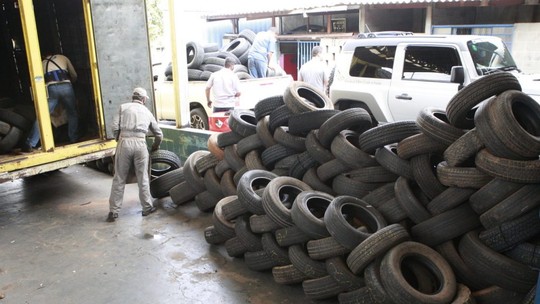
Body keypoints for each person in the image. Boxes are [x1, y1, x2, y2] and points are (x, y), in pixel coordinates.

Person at [107, 87, 163, 222]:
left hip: (124, 142)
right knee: (142, 177)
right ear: (143, 99)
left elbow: (114, 126)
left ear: (133, 97)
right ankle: (147, 207)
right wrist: (155, 146)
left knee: (119, 177)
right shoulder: (147, 112)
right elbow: (159, 134)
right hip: (140, 143)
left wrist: (118, 139)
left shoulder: (123, 107)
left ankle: (114, 212)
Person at [23, 51, 79, 151]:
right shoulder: (63, 57)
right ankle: (73, 139)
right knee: (72, 113)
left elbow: (39, 81)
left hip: (51, 88)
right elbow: (74, 75)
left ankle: (30, 143)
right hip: (66, 86)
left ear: (45, 56)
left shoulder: (41, 63)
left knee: (43, 116)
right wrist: (72, 84)